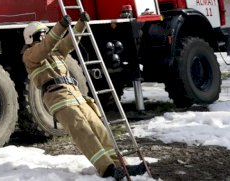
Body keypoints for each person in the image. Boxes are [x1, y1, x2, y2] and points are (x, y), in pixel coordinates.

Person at [21, 13, 148, 180]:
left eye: (46, 33)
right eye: (41, 34)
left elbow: (71, 42)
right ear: (32, 38)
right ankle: (107, 169)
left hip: (76, 95)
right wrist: (60, 26)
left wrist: (81, 23)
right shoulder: (30, 55)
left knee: (99, 129)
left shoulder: (56, 52)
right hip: (58, 98)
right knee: (83, 131)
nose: (45, 36)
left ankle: (120, 165)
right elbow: (45, 46)